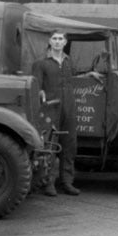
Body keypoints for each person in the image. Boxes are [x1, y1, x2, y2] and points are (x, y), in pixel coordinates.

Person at [32, 30, 80, 196]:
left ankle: (67, 182)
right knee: (50, 145)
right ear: (50, 41)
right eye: (55, 39)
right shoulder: (41, 63)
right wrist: (40, 93)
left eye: (61, 39)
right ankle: (48, 183)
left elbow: (75, 76)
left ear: (65, 42)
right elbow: (35, 85)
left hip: (69, 108)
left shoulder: (68, 62)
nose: (58, 42)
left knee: (69, 145)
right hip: (51, 108)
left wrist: (92, 73)